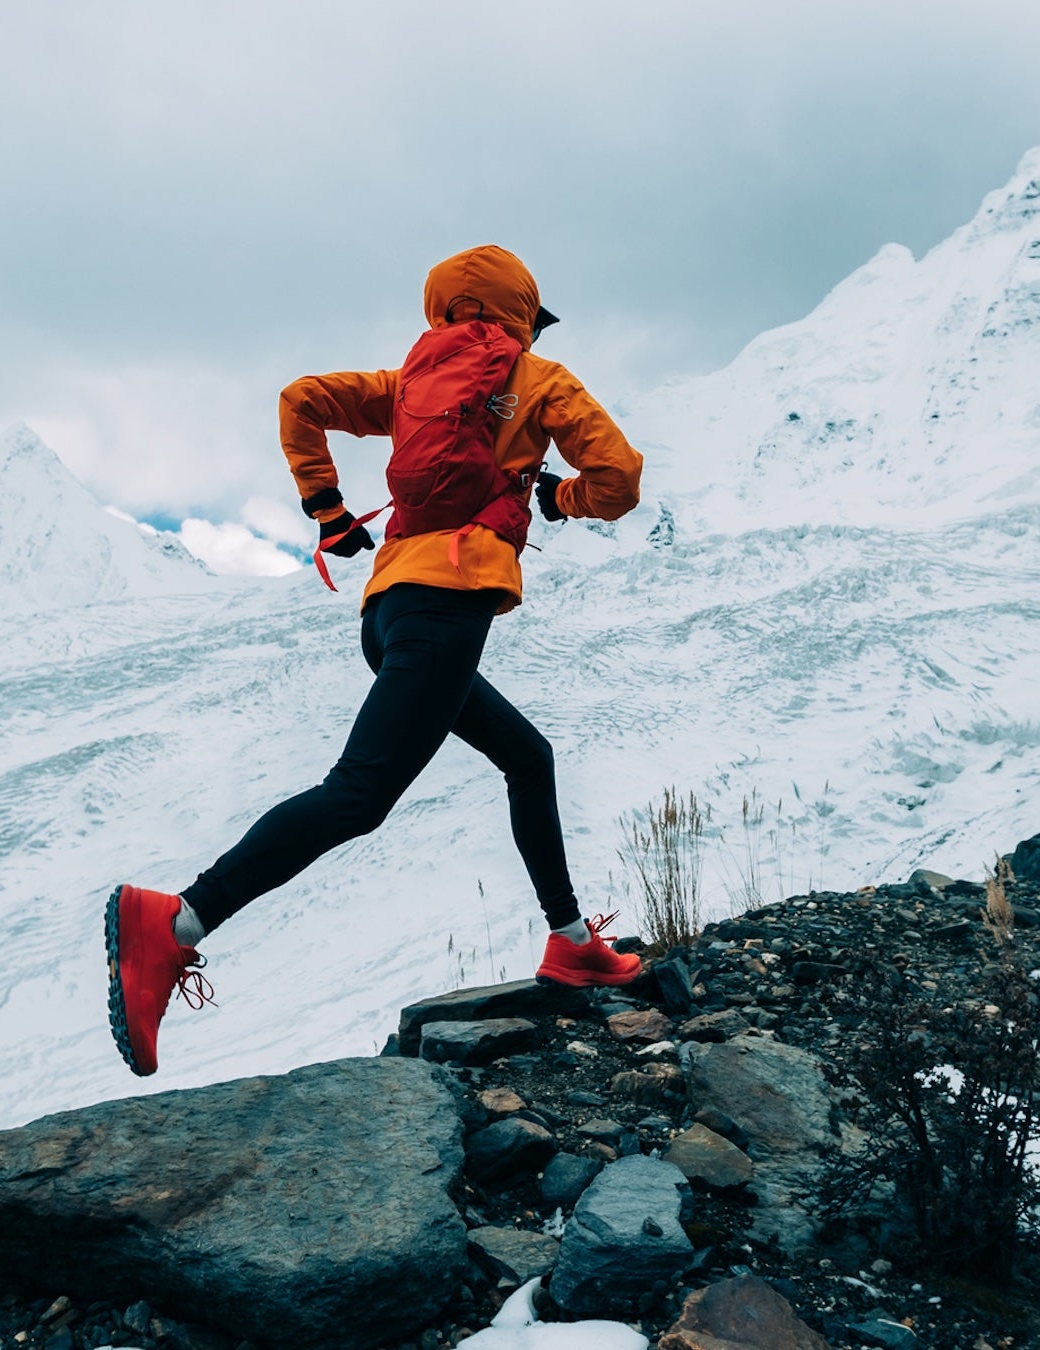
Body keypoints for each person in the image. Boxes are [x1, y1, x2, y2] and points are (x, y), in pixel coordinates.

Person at [104, 245, 646, 1076]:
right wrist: (561, 499)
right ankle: (175, 921)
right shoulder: (540, 381)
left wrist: (327, 512)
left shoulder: (409, 385)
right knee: (357, 796)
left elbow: (301, 401)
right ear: (520, 315)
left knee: (527, 758)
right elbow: (619, 477)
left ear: (443, 314)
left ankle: (571, 942)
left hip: (389, 610)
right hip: (446, 611)